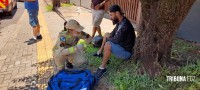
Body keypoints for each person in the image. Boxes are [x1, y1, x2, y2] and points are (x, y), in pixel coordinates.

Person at [93, 5, 136, 79]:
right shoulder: (121, 22)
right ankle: (100, 52)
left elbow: (116, 40)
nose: (110, 17)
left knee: (108, 44)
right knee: (106, 34)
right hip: (121, 46)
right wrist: (107, 36)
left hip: (126, 53)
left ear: (117, 13)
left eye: (111, 15)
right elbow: (112, 34)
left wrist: (107, 39)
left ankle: (102, 68)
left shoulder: (125, 25)